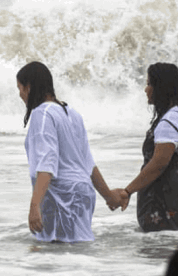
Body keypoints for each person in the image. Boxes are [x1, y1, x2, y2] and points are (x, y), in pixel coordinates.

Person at [17, 61, 124, 242]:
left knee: (54, 259)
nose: (20, 95)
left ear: (29, 87)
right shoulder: (72, 113)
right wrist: (109, 196)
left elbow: (47, 162)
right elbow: (87, 163)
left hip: (61, 196)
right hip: (83, 195)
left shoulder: (42, 114)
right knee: (75, 259)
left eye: (20, 88)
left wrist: (34, 206)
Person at [118, 63, 178, 232]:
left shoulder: (169, 121)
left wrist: (127, 191)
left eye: (149, 84)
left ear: (161, 88)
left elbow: (159, 163)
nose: (146, 89)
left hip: (169, 196)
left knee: (160, 250)